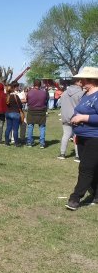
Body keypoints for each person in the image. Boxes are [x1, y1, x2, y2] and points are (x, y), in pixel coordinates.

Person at [65, 67, 98, 210]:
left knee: (85, 167)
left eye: (83, 79)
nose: (80, 81)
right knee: (93, 167)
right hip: (83, 136)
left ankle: (75, 197)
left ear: (91, 80)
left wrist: (84, 117)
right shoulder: (86, 94)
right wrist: (75, 118)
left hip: (94, 137)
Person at [57, 80, 84, 160]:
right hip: (76, 116)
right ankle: (77, 155)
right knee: (77, 136)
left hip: (65, 116)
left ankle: (62, 154)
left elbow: (59, 104)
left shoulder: (64, 93)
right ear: (78, 82)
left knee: (65, 135)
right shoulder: (81, 93)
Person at [26, 79, 49, 148]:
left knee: (30, 126)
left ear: (33, 84)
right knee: (42, 127)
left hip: (31, 111)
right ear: (40, 85)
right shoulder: (44, 93)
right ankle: (42, 143)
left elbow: (27, 101)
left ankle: (29, 142)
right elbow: (46, 101)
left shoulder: (29, 92)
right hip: (41, 111)